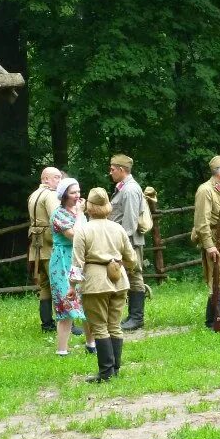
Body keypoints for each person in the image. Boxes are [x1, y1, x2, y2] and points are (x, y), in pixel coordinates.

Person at [72, 187, 137, 382]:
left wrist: (71, 287)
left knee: (99, 327)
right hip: (119, 280)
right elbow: (132, 259)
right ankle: (115, 370)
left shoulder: (83, 231)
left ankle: (106, 373)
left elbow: (77, 263)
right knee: (114, 326)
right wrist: (120, 267)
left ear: (89, 208)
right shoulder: (117, 228)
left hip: (95, 283)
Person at [193, 155, 220, 330]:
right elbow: (201, 222)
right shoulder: (206, 191)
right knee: (216, 279)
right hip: (215, 242)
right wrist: (209, 245)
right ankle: (214, 321)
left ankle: (219, 318)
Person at [107, 155, 149, 331]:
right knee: (130, 275)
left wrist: (124, 245)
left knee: (134, 274)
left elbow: (130, 221)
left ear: (121, 170)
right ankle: (133, 316)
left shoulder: (130, 190)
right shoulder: (124, 188)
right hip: (123, 240)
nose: (110, 172)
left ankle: (136, 318)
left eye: (112, 169)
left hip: (128, 241)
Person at [50, 177, 88, 356]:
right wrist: (80, 214)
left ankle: (92, 344)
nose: (77, 195)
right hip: (62, 261)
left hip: (80, 259)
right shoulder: (59, 214)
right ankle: (62, 350)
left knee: (87, 301)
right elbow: (75, 236)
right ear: (64, 195)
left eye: (79, 191)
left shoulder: (79, 212)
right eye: (73, 192)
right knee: (65, 303)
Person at [27, 167, 61, 332]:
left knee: (45, 285)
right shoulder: (51, 195)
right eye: (56, 177)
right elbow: (56, 220)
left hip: (37, 247)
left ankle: (47, 323)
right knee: (60, 284)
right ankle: (67, 324)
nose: (59, 181)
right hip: (50, 246)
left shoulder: (33, 195)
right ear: (45, 179)